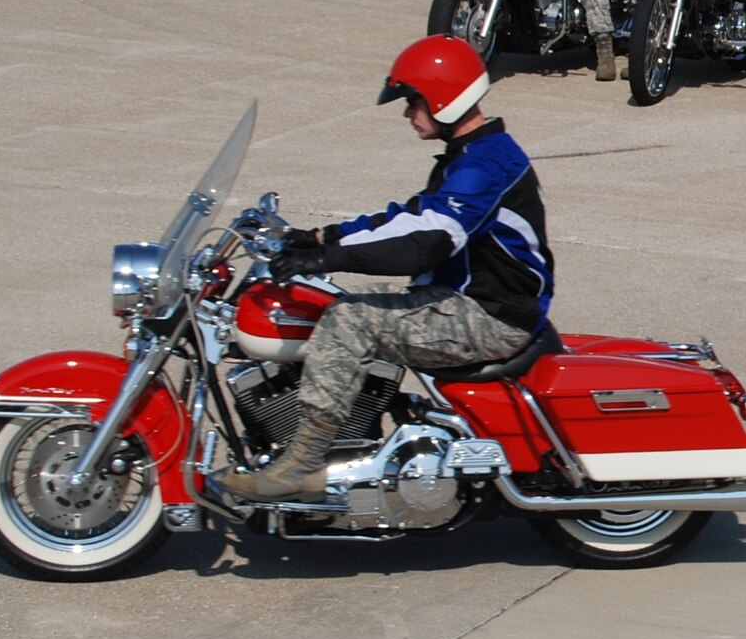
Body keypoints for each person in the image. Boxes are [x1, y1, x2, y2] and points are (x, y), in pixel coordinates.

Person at [218, 35, 554, 501]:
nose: (407, 114)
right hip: (464, 301)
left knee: (347, 321)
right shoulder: (472, 156)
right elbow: (404, 220)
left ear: (444, 98)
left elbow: (426, 245)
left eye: (413, 102)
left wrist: (324, 258)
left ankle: (301, 465)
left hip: (490, 316)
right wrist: (318, 238)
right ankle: (352, 433)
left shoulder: (486, 166)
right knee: (331, 299)